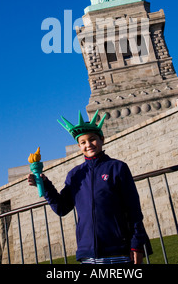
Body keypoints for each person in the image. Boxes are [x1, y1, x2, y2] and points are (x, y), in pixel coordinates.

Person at [28, 110, 152, 264]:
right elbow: (61, 207)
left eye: (92, 139)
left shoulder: (118, 168)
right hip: (87, 253)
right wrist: (45, 184)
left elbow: (133, 209)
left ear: (102, 139)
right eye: (83, 142)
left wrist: (136, 245)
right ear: (79, 146)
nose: (88, 145)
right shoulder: (74, 174)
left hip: (118, 251)